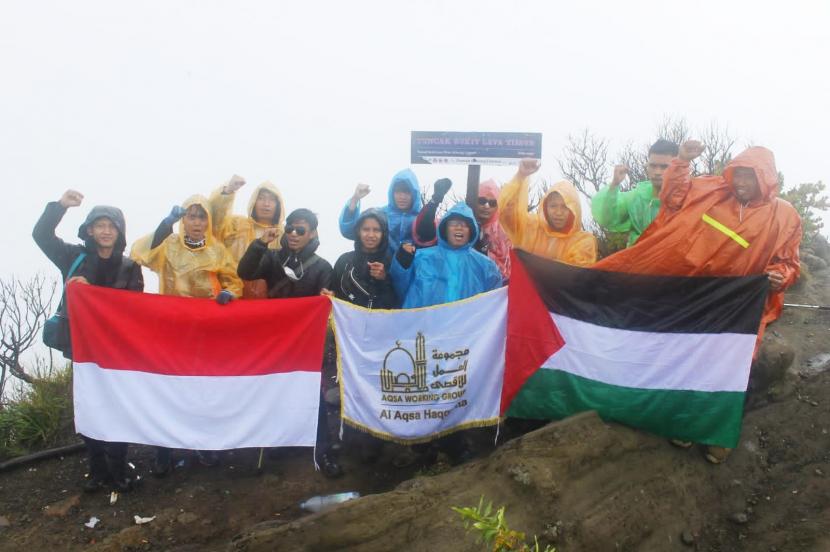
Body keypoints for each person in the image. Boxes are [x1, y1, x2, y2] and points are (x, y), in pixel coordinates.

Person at [596, 140, 802, 464]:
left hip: (739, 305)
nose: (742, 183)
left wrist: (781, 275)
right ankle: (683, 422)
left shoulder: (784, 215)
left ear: (766, 179)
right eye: (739, 175)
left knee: (727, 369)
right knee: (687, 357)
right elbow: (675, 197)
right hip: (696, 295)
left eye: (751, 177)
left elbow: (788, 261)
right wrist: (680, 162)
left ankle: (716, 435)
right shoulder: (714, 191)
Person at [33, 189, 143, 493]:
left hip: (116, 352)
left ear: (118, 231)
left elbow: (136, 309)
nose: (106, 231)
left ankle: (119, 467)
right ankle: (97, 469)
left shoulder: (130, 267)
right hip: (81, 351)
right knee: (88, 407)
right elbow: (41, 235)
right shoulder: (73, 256)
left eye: (111, 226)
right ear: (90, 230)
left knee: (119, 407)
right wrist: (59, 206)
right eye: (100, 225)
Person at [130, 195, 242, 473]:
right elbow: (139, 252)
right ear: (183, 220)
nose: (196, 222)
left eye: (201, 216)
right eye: (191, 216)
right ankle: (163, 452)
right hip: (171, 330)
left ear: (208, 220)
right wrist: (165, 224)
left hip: (206, 332)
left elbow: (234, 280)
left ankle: (204, 447)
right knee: (168, 389)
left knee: (203, 389)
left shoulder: (217, 250)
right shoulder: (167, 245)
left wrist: (231, 293)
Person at [237, 208, 342, 477]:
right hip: (275, 337)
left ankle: (324, 451)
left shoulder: (322, 266)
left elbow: (327, 302)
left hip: (306, 340)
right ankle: (283, 442)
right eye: (290, 229)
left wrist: (326, 297)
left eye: (301, 230)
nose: (294, 234)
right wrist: (260, 243)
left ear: (313, 234)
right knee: (277, 390)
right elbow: (245, 272)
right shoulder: (272, 258)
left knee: (311, 393)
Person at [392, 201, 502, 308]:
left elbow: (494, 304)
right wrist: (402, 260)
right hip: (426, 324)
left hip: (467, 325)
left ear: (471, 231)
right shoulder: (421, 258)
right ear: (445, 229)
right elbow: (399, 286)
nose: (459, 227)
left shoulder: (485, 266)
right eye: (454, 224)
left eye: (465, 225)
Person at [499, 159, 597, 266]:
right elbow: (506, 212)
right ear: (545, 207)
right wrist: (521, 176)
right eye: (553, 206)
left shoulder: (582, 242)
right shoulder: (531, 227)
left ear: (574, 210)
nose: (558, 212)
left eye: (565, 207)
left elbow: (574, 274)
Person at [414, 178, 513, 281]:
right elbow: (425, 231)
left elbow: (507, 269)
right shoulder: (457, 220)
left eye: (492, 203)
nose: (486, 206)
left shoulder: (502, 232)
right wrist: (434, 201)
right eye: (482, 201)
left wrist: (484, 254)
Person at [208, 175, 286, 298]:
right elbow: (215, 222)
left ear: (278, 205)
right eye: (261, 198)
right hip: (232, 295)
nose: (266, 204)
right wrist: (227, 192)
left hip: (270, 302)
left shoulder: (284, 235)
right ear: (254, 202)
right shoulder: (237, 224)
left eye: (271, 200)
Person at [591, 139, 679, 247]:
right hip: (637, 259)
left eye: (664, 167)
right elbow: (608, 218)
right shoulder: (638, 197)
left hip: (674, 261)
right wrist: (614, 185)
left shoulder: (687, 198)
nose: (657, 172)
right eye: (653, 166)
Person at [323, 208, 398, 309]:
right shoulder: (344, 261)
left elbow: (396, 303)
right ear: (358, 232)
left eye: (376, 230)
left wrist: (384, 279)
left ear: (383, 233)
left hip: (379, 323)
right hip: (346, 323)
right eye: (366, 229)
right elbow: (333, 292)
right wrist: (329, 295)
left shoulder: (392, 263)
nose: (371, 235)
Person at [339, 169, 423, 254]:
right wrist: (355, 199)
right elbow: (349, 231)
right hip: (379, 265)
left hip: (413, 266)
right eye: (398, 191)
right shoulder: (379, 215)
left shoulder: (423, 219)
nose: (402, 196)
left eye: (407, 192)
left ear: (414, 194)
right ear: (392, 193)